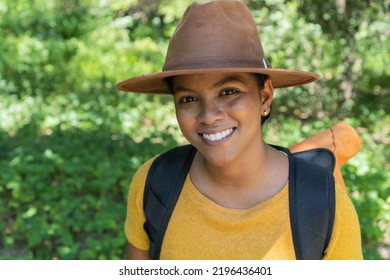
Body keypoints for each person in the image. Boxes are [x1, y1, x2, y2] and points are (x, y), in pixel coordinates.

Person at [116, 0, 362, 260]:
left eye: (229, 92)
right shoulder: (154, 183)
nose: (209, 116)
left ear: (265, 96)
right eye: (188, 98)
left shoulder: (325, 203)